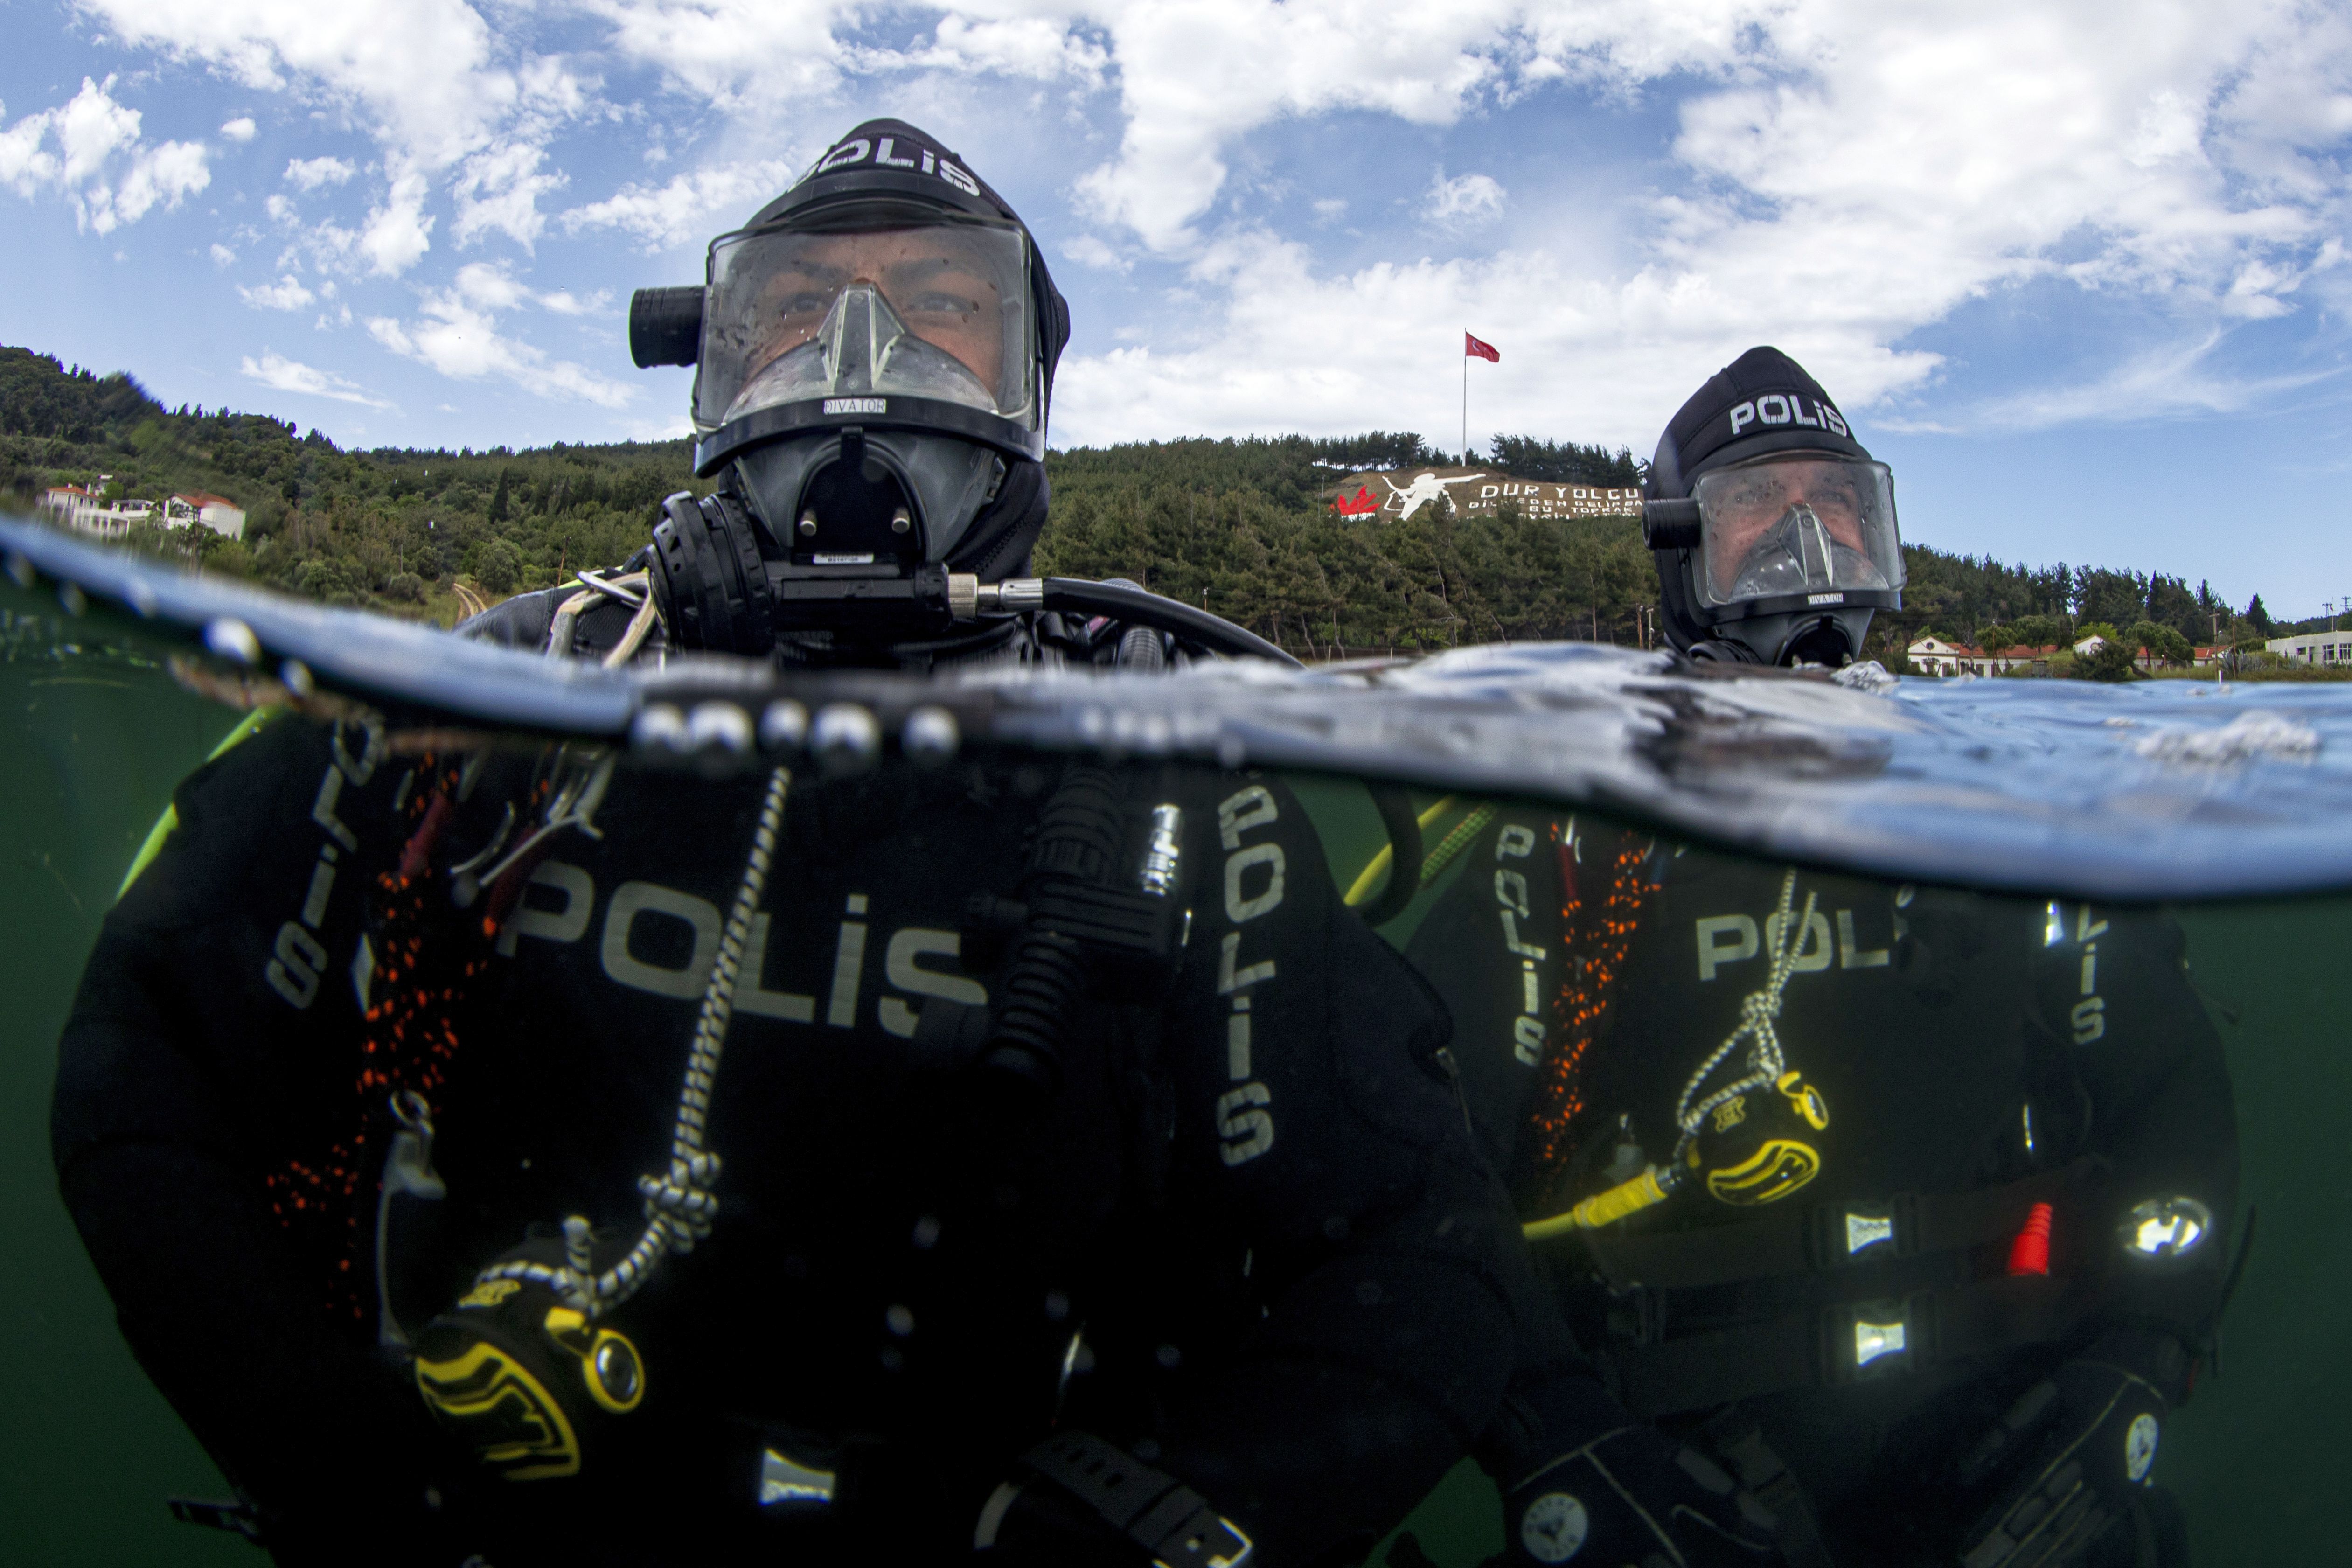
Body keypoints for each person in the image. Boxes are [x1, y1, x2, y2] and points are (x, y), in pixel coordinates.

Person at [48, 120, 1562, 1568]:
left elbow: (1420, 1251)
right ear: (711, 364)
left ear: (1029, 384)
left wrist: (1158, 1532)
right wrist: (329, 1452)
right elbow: (152, 1032)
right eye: (791, 310)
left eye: (942, 306)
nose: (860, 356)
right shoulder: (521, 692)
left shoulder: (1171, 778)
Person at [1392, 348, 2242, 1568]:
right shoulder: (1579, 845)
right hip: (1682, 1479)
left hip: (2020, 1446)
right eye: (1757, 505)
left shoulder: (2002, 817)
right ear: (1682, 549)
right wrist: (1558, 1436)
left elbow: (2168, 1086)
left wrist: (2141, 1357)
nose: (1810, 541)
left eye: (1840, 505)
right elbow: (1429, 1165)